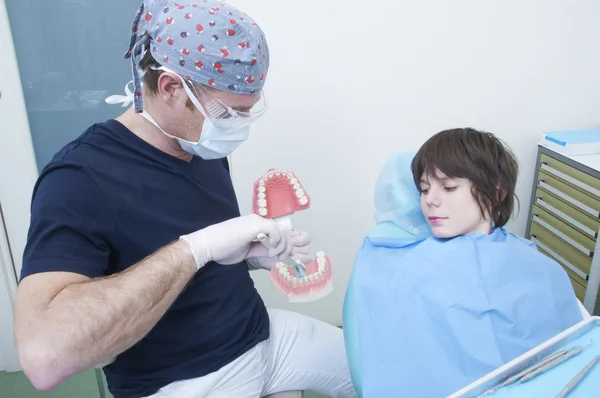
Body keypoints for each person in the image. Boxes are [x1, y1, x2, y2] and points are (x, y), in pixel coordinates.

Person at [13, 2, 357, 398]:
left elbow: (184, 249)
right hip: (186, 380)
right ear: (172, 88)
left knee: (381, 367)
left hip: (262, 335)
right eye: (231, 112)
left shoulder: (199, 143)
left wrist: (246, 255)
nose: (239, 125)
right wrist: (195, 249)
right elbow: (42, 358)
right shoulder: (78, 180)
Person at [344, 127, 583, 397]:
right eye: (424, 189)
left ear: (496, 192)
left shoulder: (540, 267)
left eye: (448, 187)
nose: (430, 200)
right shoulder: (394, 260)